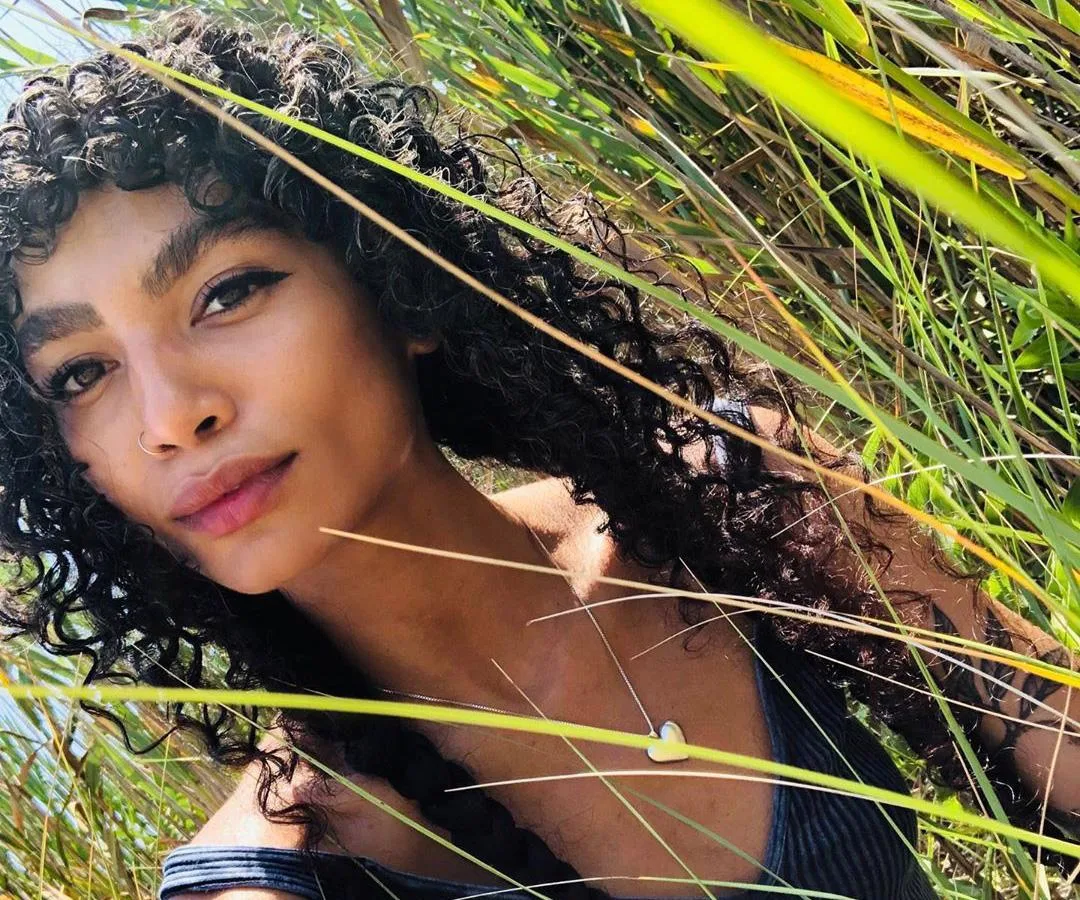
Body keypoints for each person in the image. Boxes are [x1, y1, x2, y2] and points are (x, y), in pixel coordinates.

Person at [0, 9, 1074, 900]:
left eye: (226, 293)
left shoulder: (741, 501)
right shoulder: (285, 876)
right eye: (81, 375)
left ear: (396, 282)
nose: (168, 416)